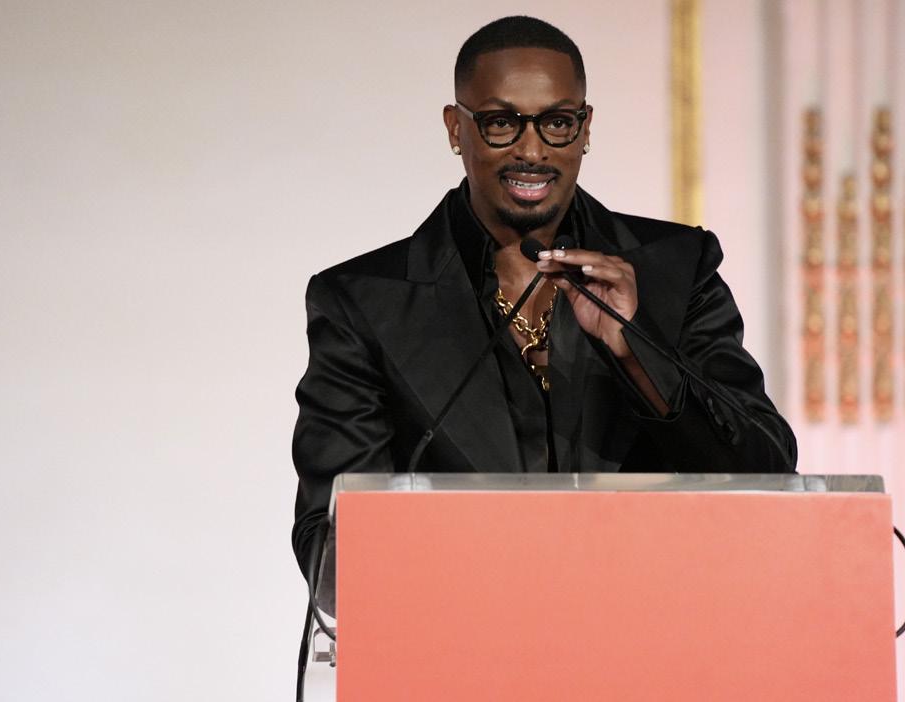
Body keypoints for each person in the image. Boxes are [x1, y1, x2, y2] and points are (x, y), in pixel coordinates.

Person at [291, 16, 797, 576]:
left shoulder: (677, 268)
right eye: (501, 123)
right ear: (456, 129)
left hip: (651, 614)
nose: (532, 151)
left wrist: (635, 353)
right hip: (466, 621)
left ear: (585, 128)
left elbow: (768, 473)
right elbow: (328, 551)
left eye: (557, 122)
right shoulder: (364, 303)